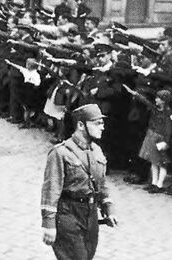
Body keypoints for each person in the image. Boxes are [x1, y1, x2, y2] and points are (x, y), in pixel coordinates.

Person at [41, 104, 118, 260]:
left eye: (102, 123)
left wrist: (108, 208)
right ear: (81, 125)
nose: (102, 127)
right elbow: (51, 189)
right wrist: (48, 224)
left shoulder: (97, 151)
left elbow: (101, 184)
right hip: (68, 214)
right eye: (97, 123)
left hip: (91, 216)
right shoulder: (61, 152)